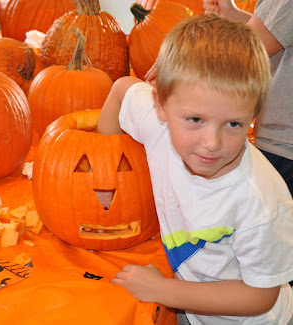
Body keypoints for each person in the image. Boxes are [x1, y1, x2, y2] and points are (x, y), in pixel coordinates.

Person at [97, 14, 293, 325]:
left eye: (233, 124)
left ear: (254, 114)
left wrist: (163, 290)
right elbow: (122, 89)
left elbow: (261, 295)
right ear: (161, 105)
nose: (212, 143)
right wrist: (106, 162)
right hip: (193, 306)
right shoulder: (157, 124)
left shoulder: (262, 200)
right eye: (195, 120)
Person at [201, 0, 293, 196]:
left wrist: (180, 57)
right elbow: (279, 31)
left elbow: (240, 55)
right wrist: (234, 17)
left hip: (283, 150)